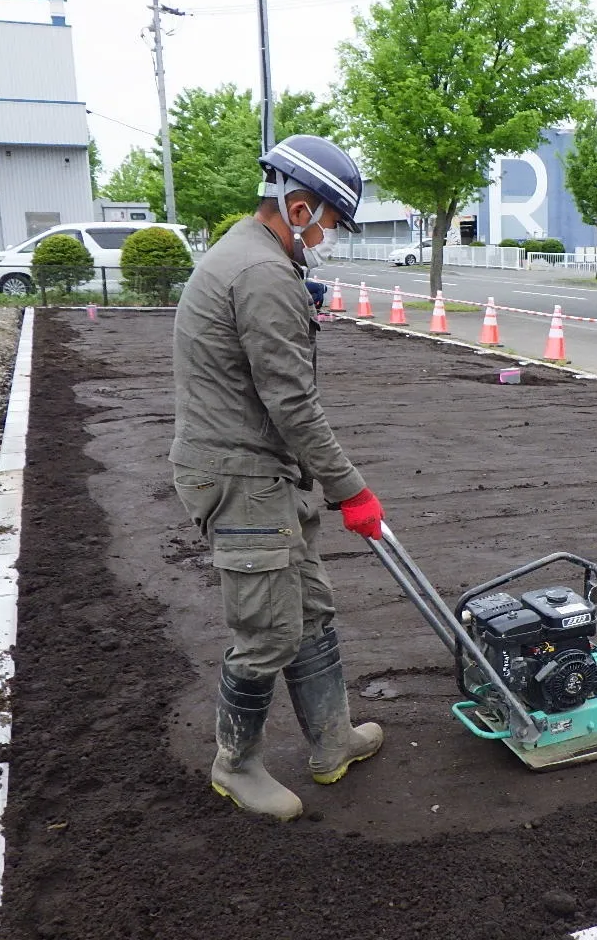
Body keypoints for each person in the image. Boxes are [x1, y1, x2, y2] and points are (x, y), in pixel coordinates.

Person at [169, 134, 384, 821]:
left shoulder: (255, 254)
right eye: (326, 222)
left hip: (262, 469)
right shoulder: (260, 274)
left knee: (310, 607)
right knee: (266, 629)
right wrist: (352, 488)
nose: (327, 237)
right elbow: (291, 402)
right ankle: (235, 764)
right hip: (238, 474)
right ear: (296, 206)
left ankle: (331, 742)